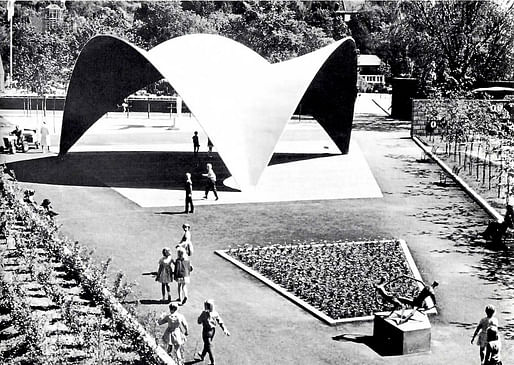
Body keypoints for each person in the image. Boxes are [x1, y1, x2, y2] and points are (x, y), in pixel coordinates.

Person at [196, 299, 230, 365]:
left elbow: (199, 322)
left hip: (206, 332)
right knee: (207, 344)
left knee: (209, 347)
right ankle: (202, 355)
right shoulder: (215, 313)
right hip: (212, 331)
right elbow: (220, 322)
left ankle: (212, 362)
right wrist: (225, 329)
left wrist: (200, 318)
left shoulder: (204, 313)